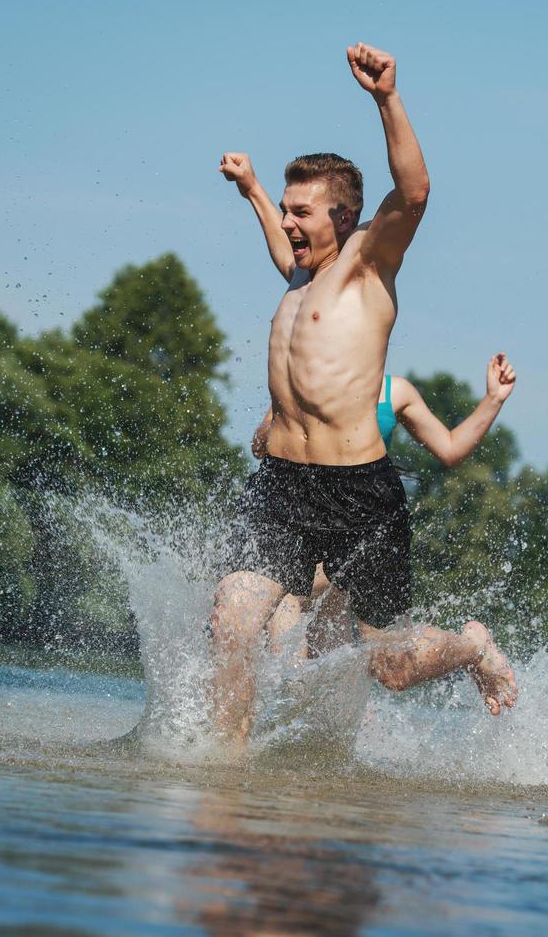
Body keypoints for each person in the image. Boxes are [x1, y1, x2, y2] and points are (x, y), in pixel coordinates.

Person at [209, 43, 516, 749]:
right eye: (286, 212)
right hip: (283, 484)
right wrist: (255, 192)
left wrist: (386, 98)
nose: (289, 225)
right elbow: (277, 243)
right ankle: (223, 778)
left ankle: (470, 644)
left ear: (344, 219)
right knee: (232, 617)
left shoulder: (366, 266)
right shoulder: (298, 277)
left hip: (358, 495)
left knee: (392, 666)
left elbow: (414, 194)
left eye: (301, 213)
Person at [259, 353, 518, 652]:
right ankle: (471, 650)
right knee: (323, 670)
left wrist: (493, 399)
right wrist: (289, 414)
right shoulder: (302, 383)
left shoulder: (395, 391)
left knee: (387, 653)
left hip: (364, 527)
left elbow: (449, 448)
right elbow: (259, 444)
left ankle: (473, 649)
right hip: (305, 521)